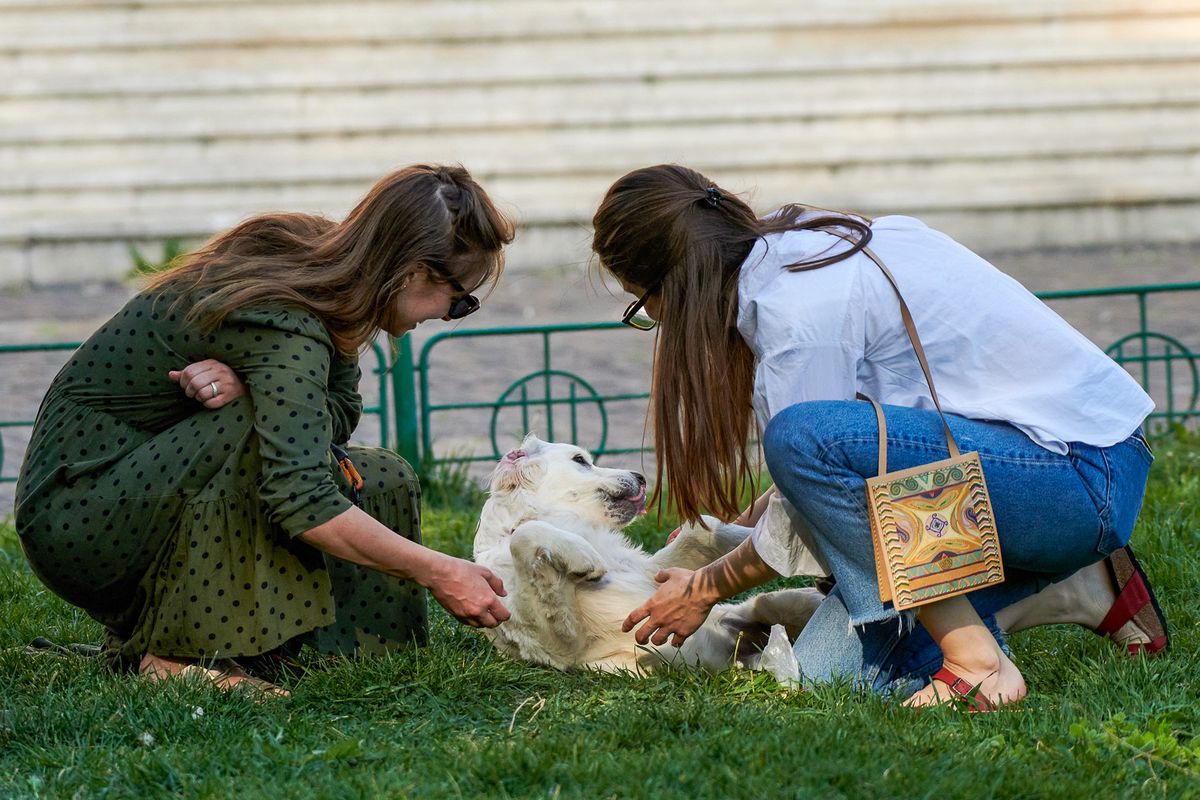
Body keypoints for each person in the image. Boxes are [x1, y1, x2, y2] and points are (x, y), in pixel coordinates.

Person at [594, 164, 1168, 709]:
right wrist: (745, 523)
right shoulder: (802, 248)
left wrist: (703, 588)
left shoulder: (795, 315)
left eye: (646, 306)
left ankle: (977, 661)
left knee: (800, 436)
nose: (658, 323)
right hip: (1042, 469)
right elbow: (852, 459)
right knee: (830, 677)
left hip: (1074, 478)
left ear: (677, 284)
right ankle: (1071, 584)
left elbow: (815, 456)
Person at [15, 164, 515, 696]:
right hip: (79, 514)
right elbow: (303, 498)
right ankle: (174, 658)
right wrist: (438, 570)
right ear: (415, 271)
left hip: (143, 484)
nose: (448, 315)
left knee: (381, 475)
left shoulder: (330, 281)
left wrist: (254, 389)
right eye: (459, 301)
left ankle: (301, 649)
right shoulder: (288, 316)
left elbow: (339, 414)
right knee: (266, 443)